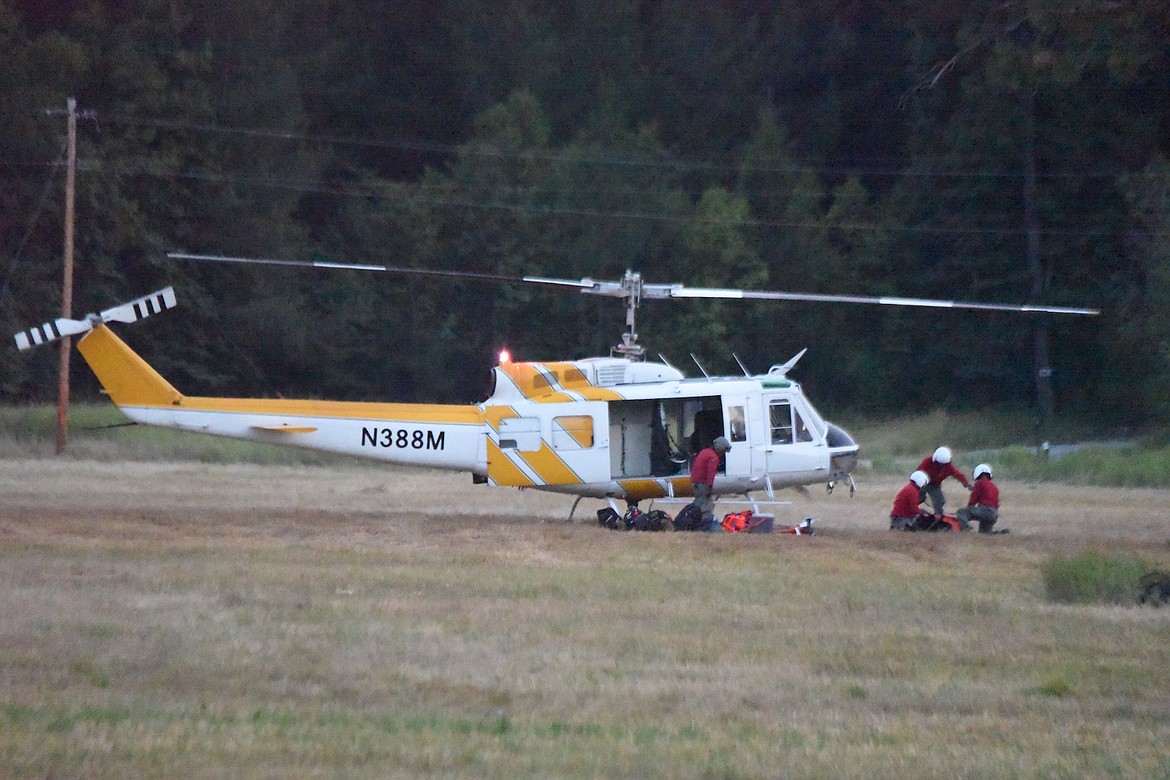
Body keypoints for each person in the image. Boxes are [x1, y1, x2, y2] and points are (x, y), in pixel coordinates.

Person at [916, 446, 971, 517]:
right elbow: (918, 473)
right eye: (940, 464)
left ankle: (938, 518)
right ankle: (908, 512)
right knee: (917, 498)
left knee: (939, 502)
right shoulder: (927, 461)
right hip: (922, 483)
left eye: (944, 464)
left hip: (935, 485)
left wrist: (967, 484)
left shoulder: (948, 467)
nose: (942, 466)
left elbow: (958, 475)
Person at [691, 436, 731, 532]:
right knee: (706, 506)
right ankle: (705, 527)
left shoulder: (705, 452)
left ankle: (694, 524)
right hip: (702, 484)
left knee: (698, 504)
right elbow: (710, 474)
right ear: (720, 448)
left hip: (695, 482)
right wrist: (709, 487)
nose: (723, 454)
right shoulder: (713, 458)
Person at [956, 463, 999, 533]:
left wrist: (969, 509)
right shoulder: (994, 486)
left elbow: (973, 499)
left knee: (962, 512)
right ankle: (1002, 533)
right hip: (994, 514)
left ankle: (966, 532)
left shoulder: (979, 483)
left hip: (985, 511)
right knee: (984, 534)